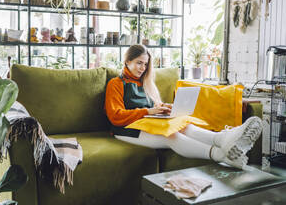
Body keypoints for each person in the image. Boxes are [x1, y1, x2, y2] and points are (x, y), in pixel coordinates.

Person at [105, 44, 263, 169]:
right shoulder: (116, 84)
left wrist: (163, 107)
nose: (142, 68)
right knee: (171, 136)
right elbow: (116, 116)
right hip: (126, 130)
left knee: (184, 125)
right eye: (139, 63)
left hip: (147, 124)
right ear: (127, 61)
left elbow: (152, 106)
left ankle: (222, 138)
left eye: (145, 64)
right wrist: (148, 111)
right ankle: (222, 155)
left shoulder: (145, 83)